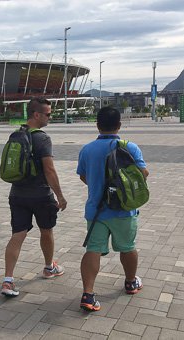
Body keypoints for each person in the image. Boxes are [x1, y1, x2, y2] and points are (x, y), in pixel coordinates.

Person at [77, 106, 149, 312]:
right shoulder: (130, 147)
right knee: (127, 247)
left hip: (96, 210)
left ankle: (88, 294)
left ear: (97, 125)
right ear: (119, 125)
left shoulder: (87, 149)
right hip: (123, 209)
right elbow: (143, 173)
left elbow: (84, 177)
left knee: (93, 250)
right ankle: (130, 282)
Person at [1, 98, 67, 297]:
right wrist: (60, 196)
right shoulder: (42, 138)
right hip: (40, 195)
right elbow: (49, 169)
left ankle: (8, 280)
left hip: (17, 194)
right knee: (46, 231)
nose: (50, 117)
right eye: (47, 114)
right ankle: (49, 267)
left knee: (18, 234)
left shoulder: (16, 134)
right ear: (36, 115)